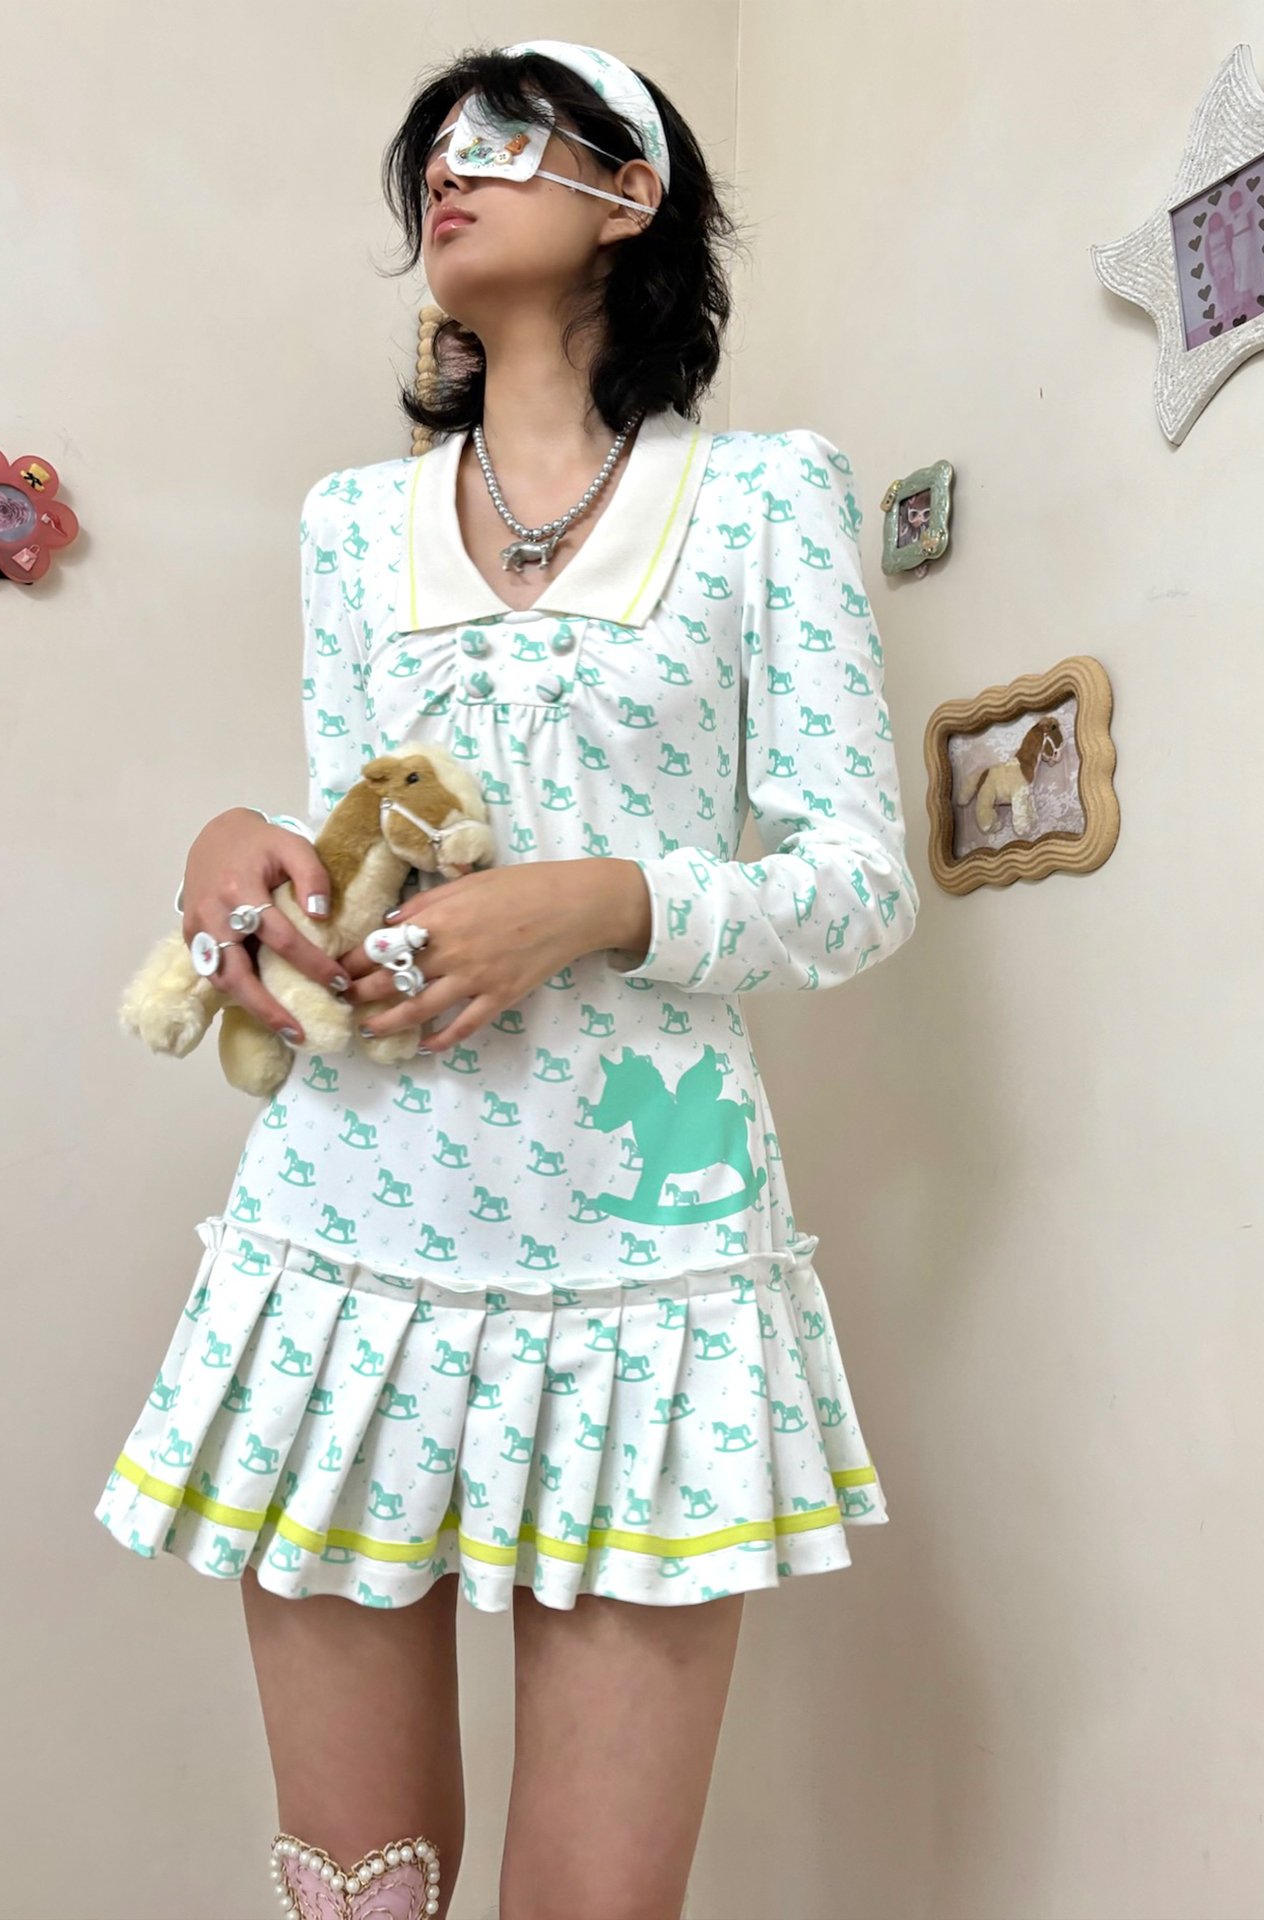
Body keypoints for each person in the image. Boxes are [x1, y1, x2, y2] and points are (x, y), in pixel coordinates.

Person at [94, 37, 919, 1920]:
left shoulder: (766, 499)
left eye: (501, 138)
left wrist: (599, 901)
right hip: (351, 1233)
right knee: (356, 1890)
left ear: (632, 193)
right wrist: (238, 851)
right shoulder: (348, 525)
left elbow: (861, 884)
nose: (448, 176)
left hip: (648, 1255)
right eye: (432, 159)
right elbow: (371, 836)